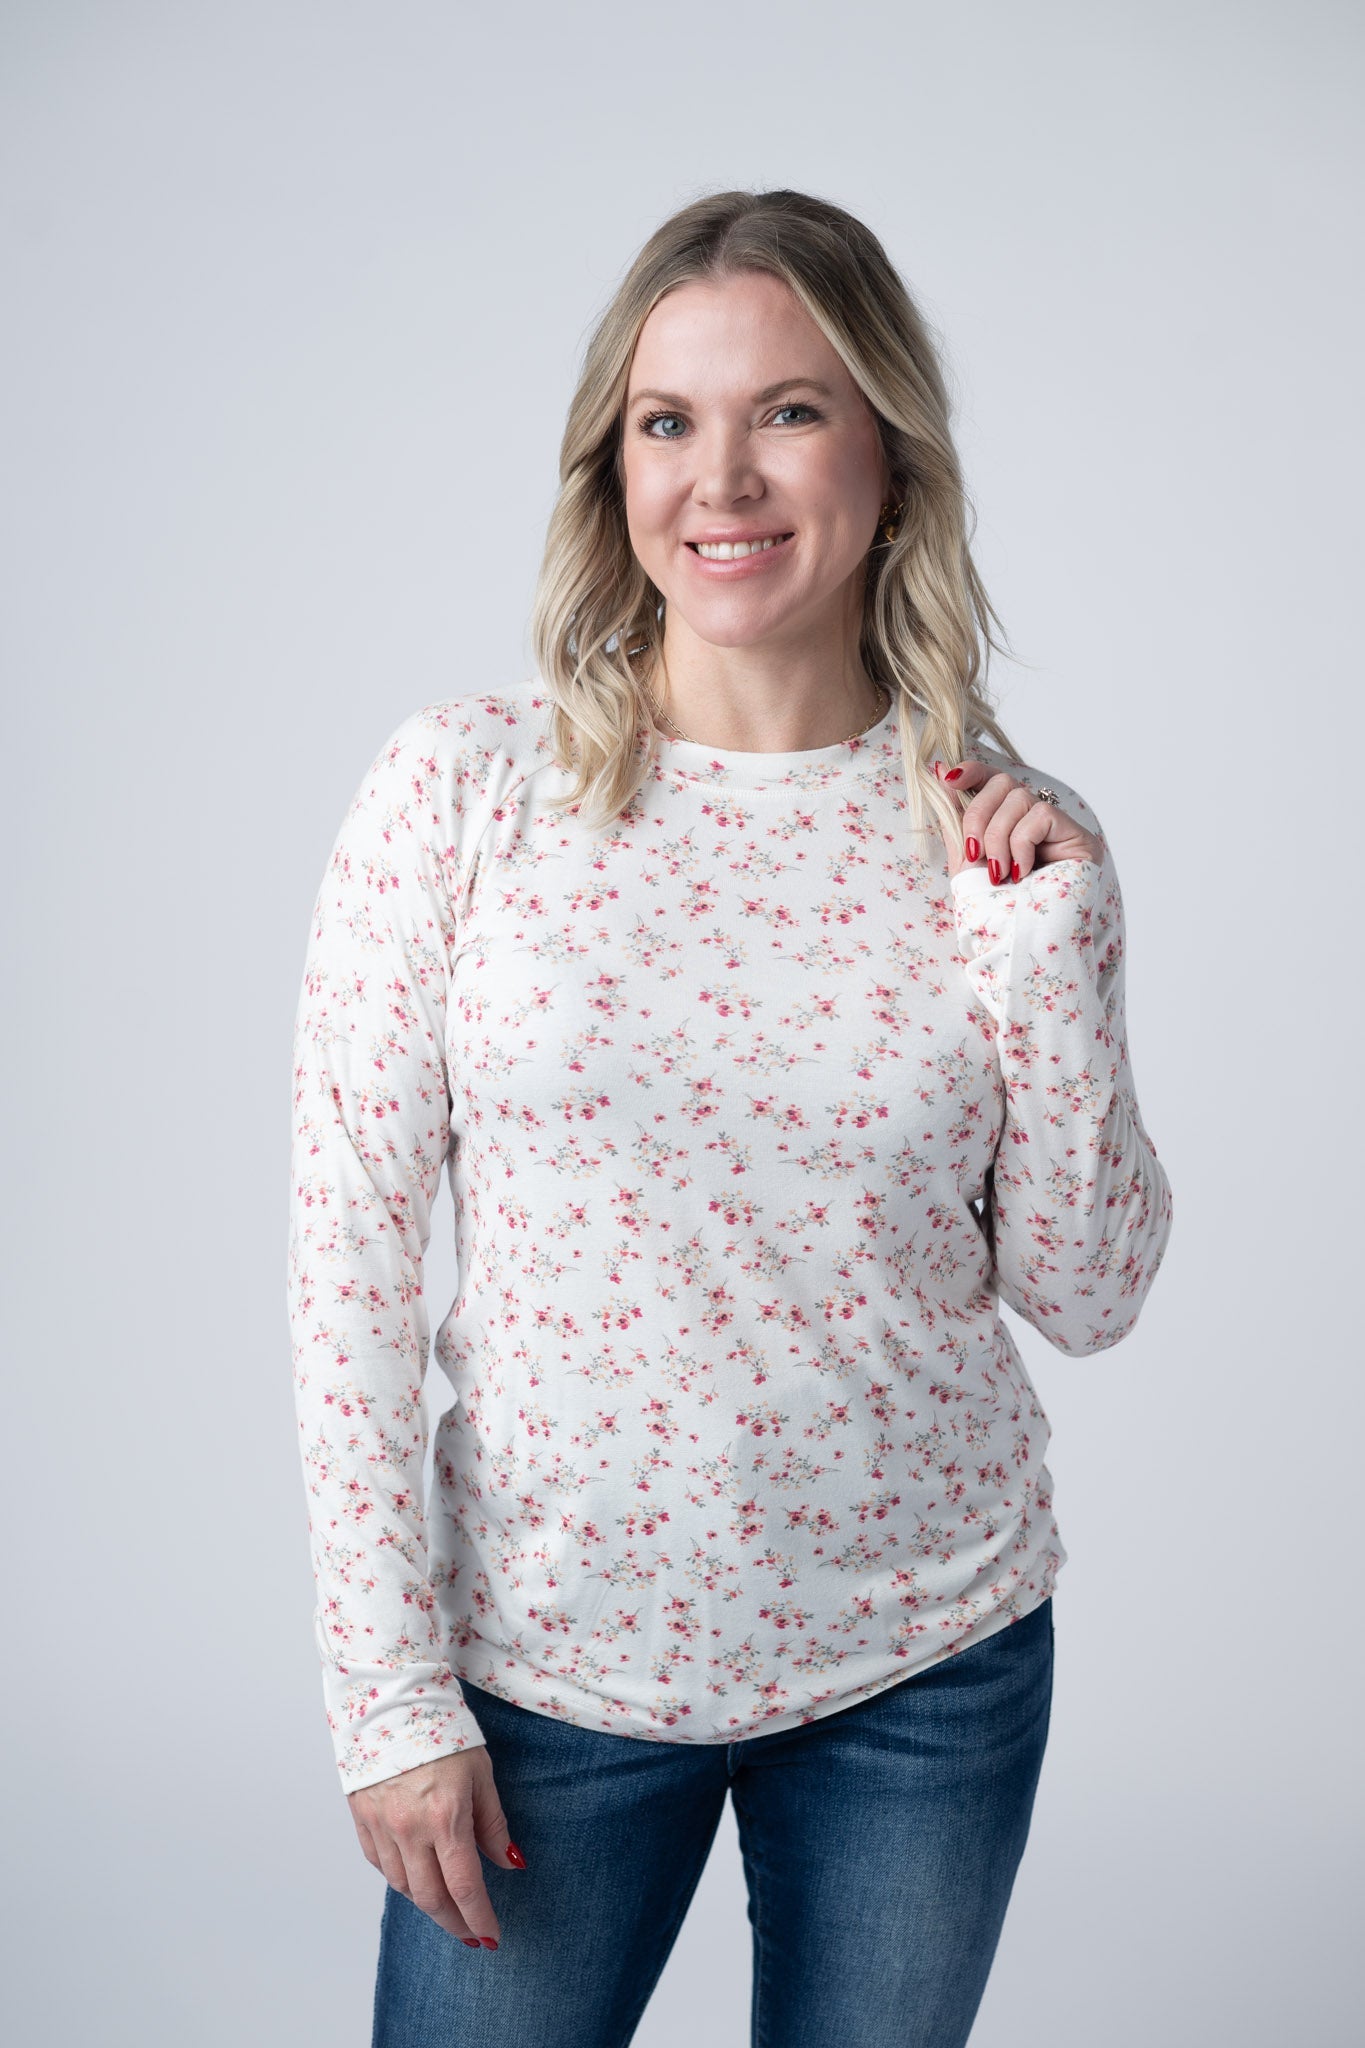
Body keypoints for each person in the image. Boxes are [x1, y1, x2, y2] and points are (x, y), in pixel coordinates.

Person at [286, 187, 1174, 2048]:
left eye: (788, 410)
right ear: (610, 468)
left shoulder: (998, 837)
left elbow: (1087, 1296)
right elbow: (348, 1256)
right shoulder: (462, 792)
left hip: (925, 1668)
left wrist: (1053, 950)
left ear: (885, 451)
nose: (723, 479)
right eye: (666, 423)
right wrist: (388, 1695)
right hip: (542, 1678)